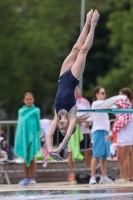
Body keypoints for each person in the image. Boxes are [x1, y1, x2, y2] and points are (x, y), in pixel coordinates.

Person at [47, 9, 100, 161]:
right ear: (69, 124)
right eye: (64, 127)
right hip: (74, 77)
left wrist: (51, 150)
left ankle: (87, 22)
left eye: (60, 128)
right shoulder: (72, 114)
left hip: (62, 75)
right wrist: (59, 148)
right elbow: (69, 135)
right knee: (83, 51)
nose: (61, 127)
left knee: (76, 47)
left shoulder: (57, 115)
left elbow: (49, 134)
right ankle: (94, 25)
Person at [89, 86, 127, 184]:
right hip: (98, 131)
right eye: (102, 93)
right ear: (96, 94)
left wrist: (120, 106)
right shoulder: (96, 104)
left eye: (105, 93)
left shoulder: (104, 105)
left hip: (105, 131)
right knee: (96, 155)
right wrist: (119, 97)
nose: (104, 94)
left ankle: (103, 176)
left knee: (105, 156)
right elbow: (110, 102)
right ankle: (92, 177)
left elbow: (116, 109)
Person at [106, 87, 133, 184]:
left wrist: (111, 134)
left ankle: (127, 177)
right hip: (121, 138)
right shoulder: (122, 112)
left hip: (127, 138)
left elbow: (121, 124)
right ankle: (123, 176)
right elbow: (117, 123)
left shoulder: (128, 111)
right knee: (121, 157)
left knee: (125, 157)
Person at [14, 92, 41, 186]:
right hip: (24, 137)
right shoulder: (20, 111)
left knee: (32, 157)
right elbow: (20, 125)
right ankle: (25, 177)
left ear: (33, 100)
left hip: (32, 137)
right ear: (24, 100)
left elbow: (37, 124)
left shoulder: (36, 110)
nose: (29, 101)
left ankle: (32, 177)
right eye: (27, 99)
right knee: (25, 158)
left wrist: (37, 135)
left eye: (30, 99)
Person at [67, 86, 92, 183]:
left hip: (84, 131)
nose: (74, 90)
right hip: (72, 131)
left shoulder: (85, 102)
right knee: (71, 153)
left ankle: (91, 172)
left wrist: (88, 122)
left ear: (78, 90)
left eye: (76, 88)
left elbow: (90, 114)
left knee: (87, 152)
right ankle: (71, 173)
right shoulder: (67, 101)